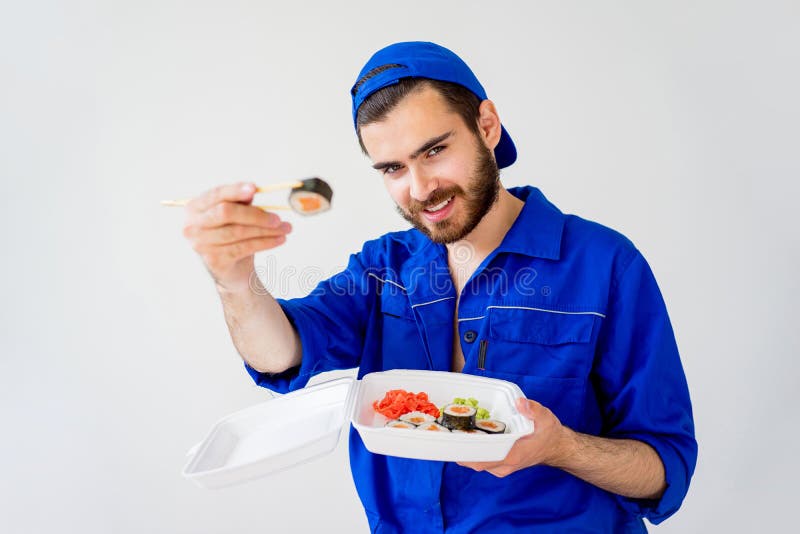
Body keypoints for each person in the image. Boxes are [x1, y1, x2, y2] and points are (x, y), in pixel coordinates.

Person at [181, 41, 697, 533]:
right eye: (392, 168)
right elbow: (282, 351)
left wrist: (558, 446)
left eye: (434, 151)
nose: (420, 188)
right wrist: (233, 278)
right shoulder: (383, 267)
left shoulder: (606, 265)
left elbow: (663, 467)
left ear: (487, 126)